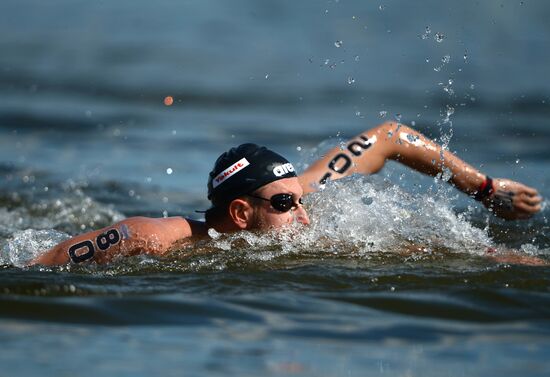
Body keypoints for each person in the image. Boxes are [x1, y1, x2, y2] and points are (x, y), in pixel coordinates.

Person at [30, 122, 542, 266]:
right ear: (239, 210)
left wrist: (486, 189)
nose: (303, 212)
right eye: (284, 204)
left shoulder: (295, 201)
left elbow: (388, 136)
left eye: (300, 197)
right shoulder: (160, 239)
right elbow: (49, 258)